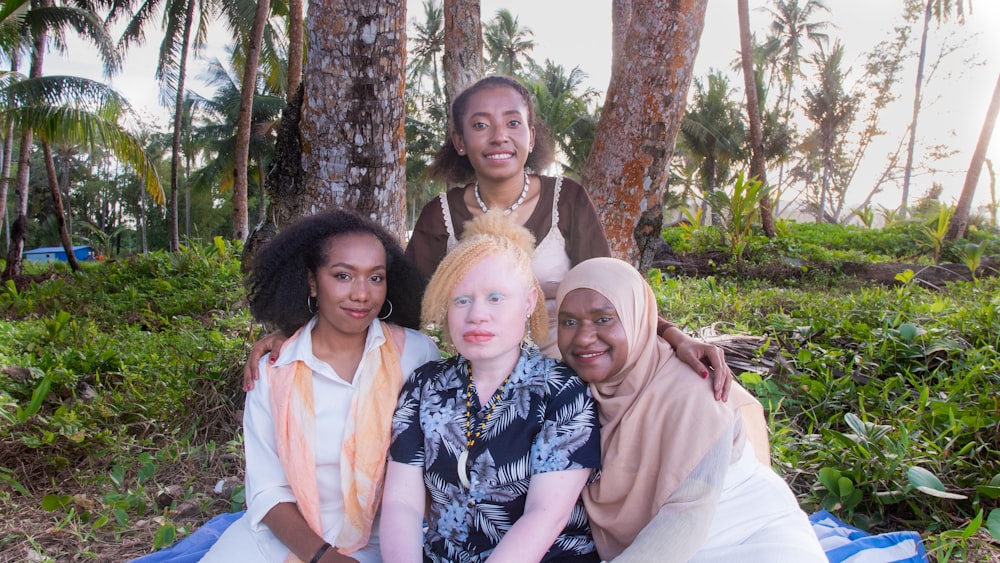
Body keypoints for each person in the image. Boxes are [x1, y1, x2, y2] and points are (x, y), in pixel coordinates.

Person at [244, 75, 733, 401]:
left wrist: (676, 336)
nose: (498, 136)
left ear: (530, 132)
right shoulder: (441, 216)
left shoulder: (569, 199)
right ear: (460, 141)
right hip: (489, 373)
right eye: (480, 125)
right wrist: (296, 334)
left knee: (700, 393)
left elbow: (614, 295)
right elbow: (395, 305)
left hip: (582, 358)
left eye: (512, 122)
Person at [202, 210, 440, 563]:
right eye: (343, 275)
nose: (362, 294)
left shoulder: (417, 355)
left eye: (376, 278)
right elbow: (268, 490)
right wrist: (322, 557)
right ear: (312, 282)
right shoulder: (275, 369)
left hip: (383, 541)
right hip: (283, 539)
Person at [555, 257, 827, 563]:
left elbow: (687, 514)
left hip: (748, 536)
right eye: (568, 322)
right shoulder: (570, 385)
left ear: (636, 319)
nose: (583, 337)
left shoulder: (696, 392)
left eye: (604, 319)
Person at [380, 213, 602, 563]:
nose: (476, 315)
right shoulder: (424, 386)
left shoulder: (561, 392)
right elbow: (401, 503)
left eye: (495, 298)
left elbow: (546, 514)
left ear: (529, 303)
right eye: (461, 300)